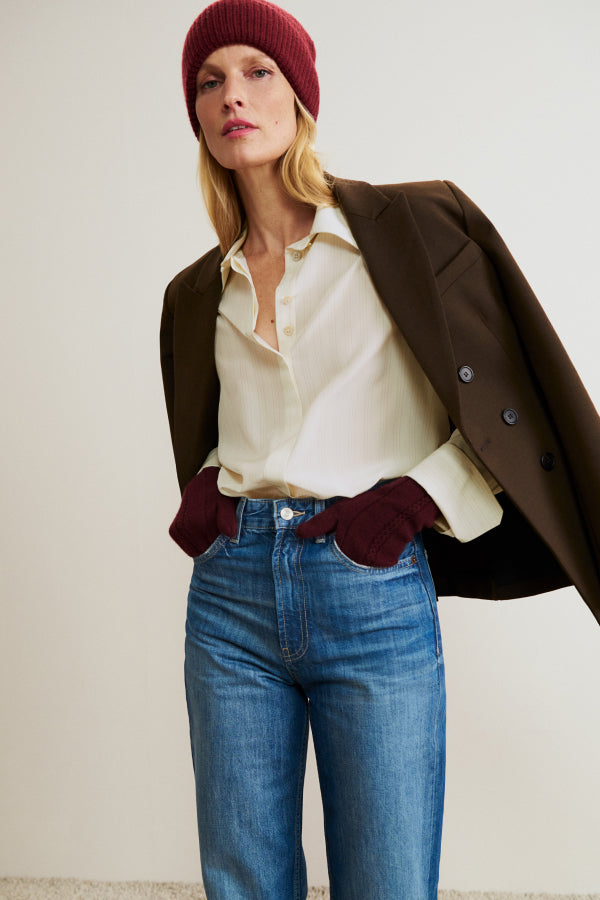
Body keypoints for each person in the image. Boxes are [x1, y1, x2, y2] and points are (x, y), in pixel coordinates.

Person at [160, 1, 600, 897]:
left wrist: (414, 502)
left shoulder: (407, 230)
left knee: (388, 881)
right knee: (242, 881)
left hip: (368, 588)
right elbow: (241, 426)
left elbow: (504, 406)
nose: (232, 96)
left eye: (257, 72)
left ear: (300, 96)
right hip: (229, 599)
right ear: (196, 114)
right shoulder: (197, 292)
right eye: (210, 81)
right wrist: (209, 484)